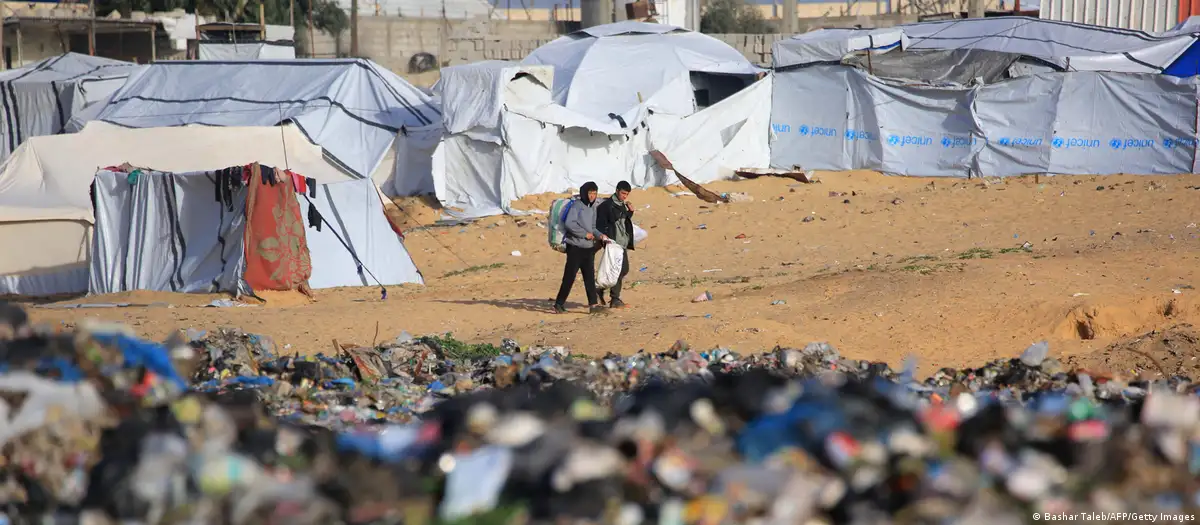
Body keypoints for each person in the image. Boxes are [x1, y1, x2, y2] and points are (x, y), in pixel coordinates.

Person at [554, 181, 608, 314]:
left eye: (595, 193)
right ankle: (559, 303)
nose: (592, 196)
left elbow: (593, 227)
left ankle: (593, 305)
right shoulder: (577, 206)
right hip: (575, 247)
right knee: (569, 277)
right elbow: (569, 224)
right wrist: (584, 234)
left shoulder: (593, 207)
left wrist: (600, 235)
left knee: (589, 277)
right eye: (590, 193)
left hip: (588, 248)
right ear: (584, 193)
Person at [597, 181, 635, 309]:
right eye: (623, 193)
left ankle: (602, 290)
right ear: (617, 190)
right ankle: (614, 298)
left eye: (627, 194)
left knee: (623, 269)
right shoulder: (607, 206)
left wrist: (630, 212)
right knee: (620, 269)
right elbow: (601, 224)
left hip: (621, 242)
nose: (625, 196)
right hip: (613, 243)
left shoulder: (621, 205)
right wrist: (605, 239)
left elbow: (622, 222)